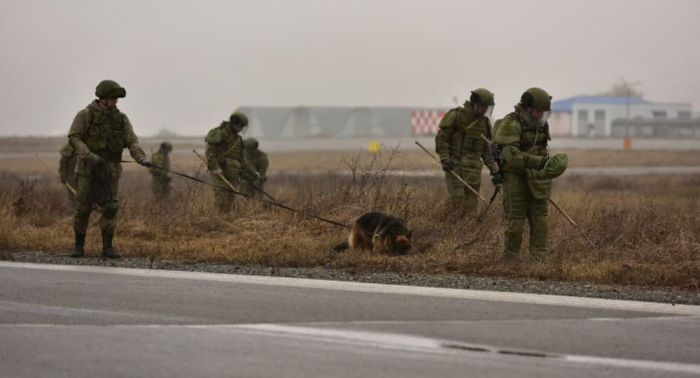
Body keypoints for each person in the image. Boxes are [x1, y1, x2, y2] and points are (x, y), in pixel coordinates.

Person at [68, 80, 151, 259]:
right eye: (113, 98)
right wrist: (90, 156)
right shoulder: (85, 115)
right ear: (103, 99)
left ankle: (107, 247)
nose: (116, 102)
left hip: (111, 171)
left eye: (116, 99)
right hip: (87, 170)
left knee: (111, 208)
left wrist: (141, 158)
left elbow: (132, 141)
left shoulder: (121, 119)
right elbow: (74, 138)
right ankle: (78, 246)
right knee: (83, 208)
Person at [492, 87, 567, 260]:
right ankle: (510, 260)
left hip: (538, 178)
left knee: (540, 219)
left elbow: (542, 150)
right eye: (538, 111)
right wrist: (538, 163)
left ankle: (539, 258)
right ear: (528, 108)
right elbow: (510, 156)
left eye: (543, 112)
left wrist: (549, 166)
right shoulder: (511, 124)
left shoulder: (541, 125)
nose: (541, 116)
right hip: (515, 178)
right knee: (516, 221)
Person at [435, 88, 501, 216]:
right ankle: (445, 225)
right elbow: (442, 139)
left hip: (474, 170)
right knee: (457, 202)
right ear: (474, 103)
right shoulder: (457, 116)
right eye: (483, 106)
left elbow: (487, 153)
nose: (485, 110)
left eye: (487, 107)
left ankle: (467, 232)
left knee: (471, 208)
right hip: (455, 167)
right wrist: (445, 159)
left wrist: (495, 171)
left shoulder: (485, 123)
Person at [204, 111, 259, 212]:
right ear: (235, 123)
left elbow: (243, 160)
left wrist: (253, 171)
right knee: (221, 198)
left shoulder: (238, 139)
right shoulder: (219, 133)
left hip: (233, 173)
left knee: (231, 200)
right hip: (220, 172)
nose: (242, 129)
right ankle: (217, 221)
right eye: (241, 126)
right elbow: (210, 153)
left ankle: (227, 221)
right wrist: (216, 168)